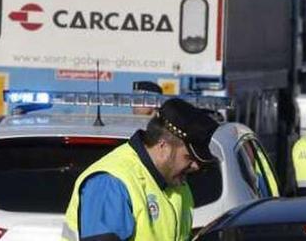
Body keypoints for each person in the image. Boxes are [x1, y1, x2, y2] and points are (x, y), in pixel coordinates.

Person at [62, 98, 218, 241]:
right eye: (189, 158)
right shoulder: (112, 182)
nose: (195, 166)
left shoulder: (176, 186)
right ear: (163, 146)